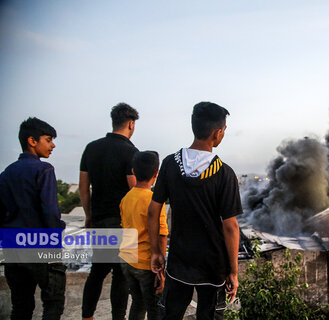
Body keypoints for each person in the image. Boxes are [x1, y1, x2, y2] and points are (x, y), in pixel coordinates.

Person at [148, 101, 243, 320]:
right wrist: (233, 272)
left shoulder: (170, 164)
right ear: (217, 133)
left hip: (179, 261)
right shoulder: (224, 173)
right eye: (224, 131)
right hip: (213, 264)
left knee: (170, 314)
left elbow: (154, 211)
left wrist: (156, 252)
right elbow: (230, 226)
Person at [0, 117, 66, 319]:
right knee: (53, 303)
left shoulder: (6, 173)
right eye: (48, 139)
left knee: (21, 306)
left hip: (12, 246)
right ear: (32, 141)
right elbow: (50, 213)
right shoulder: (44, 170)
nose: (52, 145)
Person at [79, 102, 139, 320]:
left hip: (100, 220)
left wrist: (89, 215)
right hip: (123, 224)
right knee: (121, 275)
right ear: (131, 124)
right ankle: (118, 318)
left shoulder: (91, 148)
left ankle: (87, 316)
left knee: (97, 271)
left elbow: (83, 187)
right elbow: (134, 187)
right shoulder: (131, 152)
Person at [118, 151, 168, 320]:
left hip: (127, 260)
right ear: (157, 173)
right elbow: (161, 235)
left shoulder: (126, 198)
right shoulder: (154, 201)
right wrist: (161, 271)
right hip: (146, 264)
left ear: (133, 171)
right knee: (155, 308)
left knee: (138, 303)